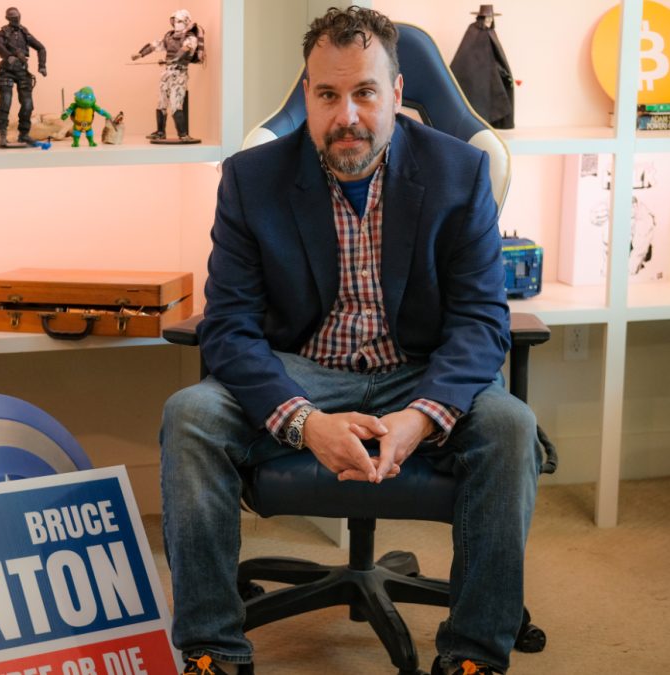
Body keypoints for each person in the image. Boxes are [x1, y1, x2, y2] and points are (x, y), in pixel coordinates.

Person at [160, 7, 541, 675]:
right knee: (190, 414)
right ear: (307, 95)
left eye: (365, 92)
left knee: (510, 426)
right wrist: (304, 423)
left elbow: (481, 322)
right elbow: (230, 325)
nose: (347, 116)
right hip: (301, 369)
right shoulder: (250, 179)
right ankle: (213, 648)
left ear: (396, 93)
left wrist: (419, 418)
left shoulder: (460, 173)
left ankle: (474, 653)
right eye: (328, 95)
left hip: (415, 370)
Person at [131, 9, 203, 144]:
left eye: (179, 21)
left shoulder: (190, 37)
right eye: (175, 21)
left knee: (176, 104)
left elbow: (185, 49)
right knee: (161, 102)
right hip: (167, 73)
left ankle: (183, 135)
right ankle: (160, 132)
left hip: (179, 74)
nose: (176, 24)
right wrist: (140, 54)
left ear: (186, 22)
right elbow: (154, 45)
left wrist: (174, 59)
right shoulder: (169, 36)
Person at [450, 5, 514, 129]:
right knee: (478, 102)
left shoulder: (491, 32)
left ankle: (492, 123)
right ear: (480, 18)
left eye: (491, 18)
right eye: (487, 18)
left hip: (491, 75)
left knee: (495, 97)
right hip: (475, 77)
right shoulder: (473, 31)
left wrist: (501, 69)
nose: (489, 21)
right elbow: (466, 55)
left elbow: (494, 55)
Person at [0, 7, 46, 147]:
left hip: (22, 71)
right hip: (7, 71)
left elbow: (41, 48)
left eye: (17, 16)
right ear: (8, 19)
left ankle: (24, 134)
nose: (16, 19)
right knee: (5, 102)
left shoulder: (25, 33)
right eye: (13, 17)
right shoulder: (1, 34)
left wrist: (42, 65)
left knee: (28, 104)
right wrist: (8, 56)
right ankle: (3, 133)